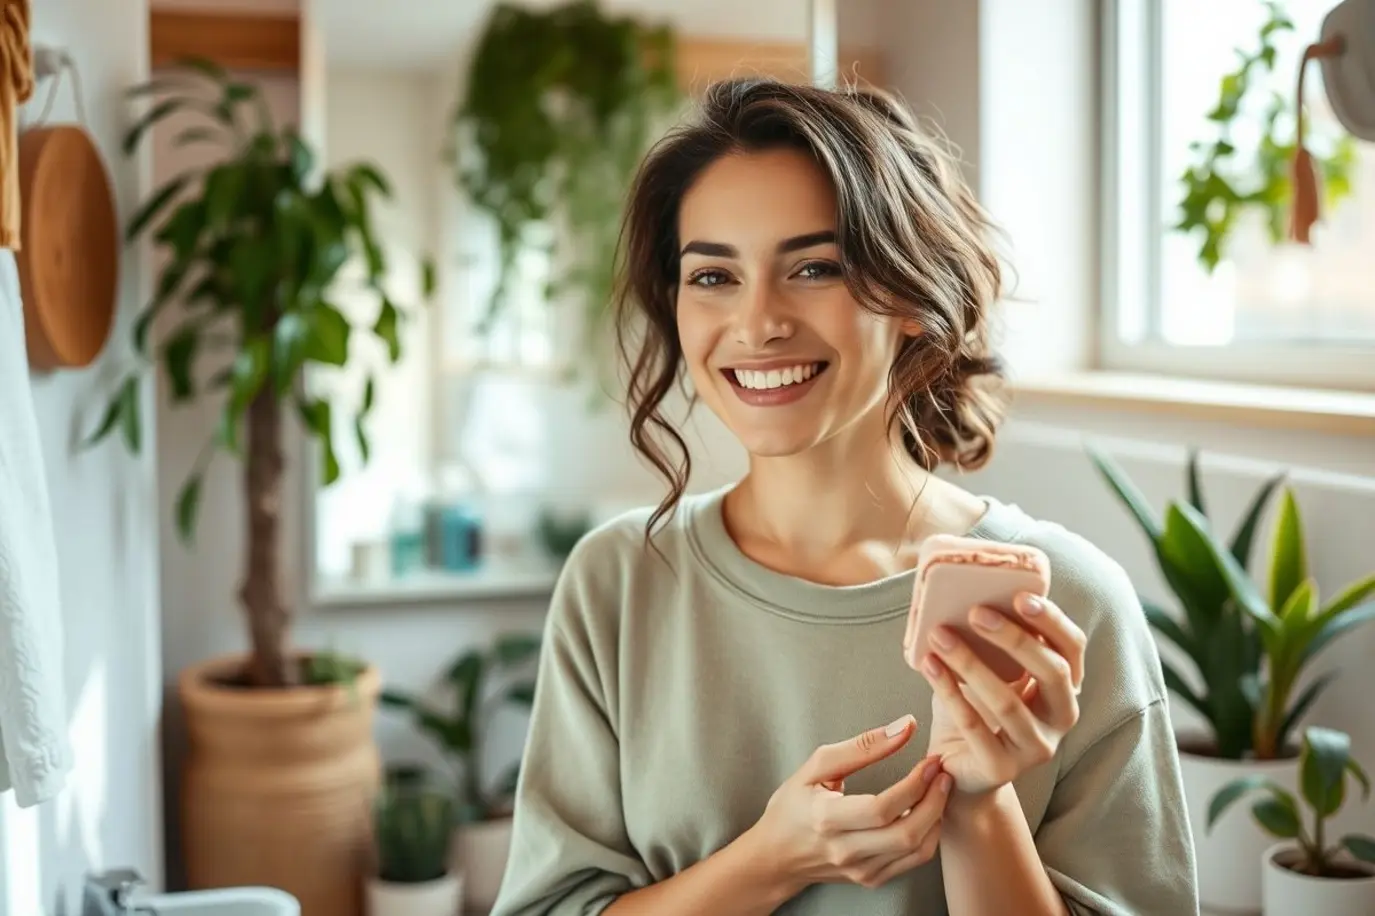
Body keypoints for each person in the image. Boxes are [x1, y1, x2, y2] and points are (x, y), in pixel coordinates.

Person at [490, 78, 1199, 916]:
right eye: (713, 276)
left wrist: (979, 803)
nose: (756, 324)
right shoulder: (618, 581)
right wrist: (769, 863)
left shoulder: (1071, 605)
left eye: (814, 266)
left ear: (907, 293)